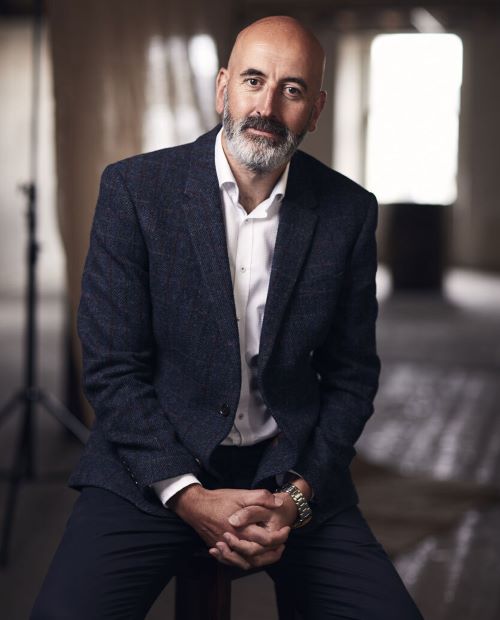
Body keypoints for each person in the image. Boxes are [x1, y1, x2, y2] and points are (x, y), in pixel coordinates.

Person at [32, 15, 424, 620]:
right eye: (253, 80)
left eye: (292, 90)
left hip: (289, 474)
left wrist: (297, 498)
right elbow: (112, 370)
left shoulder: (348, 212)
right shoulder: (135, 191)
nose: (266, 107)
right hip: (150, 468)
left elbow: (352, 378)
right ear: (223, 88)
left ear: (315, 110)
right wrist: (187, 495)